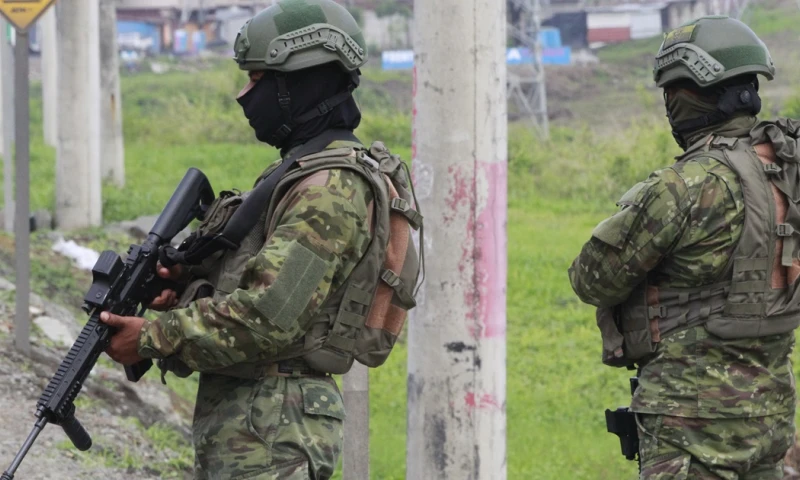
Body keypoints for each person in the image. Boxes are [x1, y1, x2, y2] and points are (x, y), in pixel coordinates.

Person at [97, 1, 421, 479]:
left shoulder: (331, 189)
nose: (245, 95)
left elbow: (267, 317)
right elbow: (256, 283)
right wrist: (188, 282)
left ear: (299, 84)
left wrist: (151, 337)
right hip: (256, 418)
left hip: (276, 427)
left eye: (257, 79)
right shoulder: (299, 172)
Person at [569, 16, 800, 479]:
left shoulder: (685, 187)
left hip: (688, 422)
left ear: (693, 96)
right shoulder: (789, 174)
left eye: (673, 96)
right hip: (772, 415)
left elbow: (591, 278)